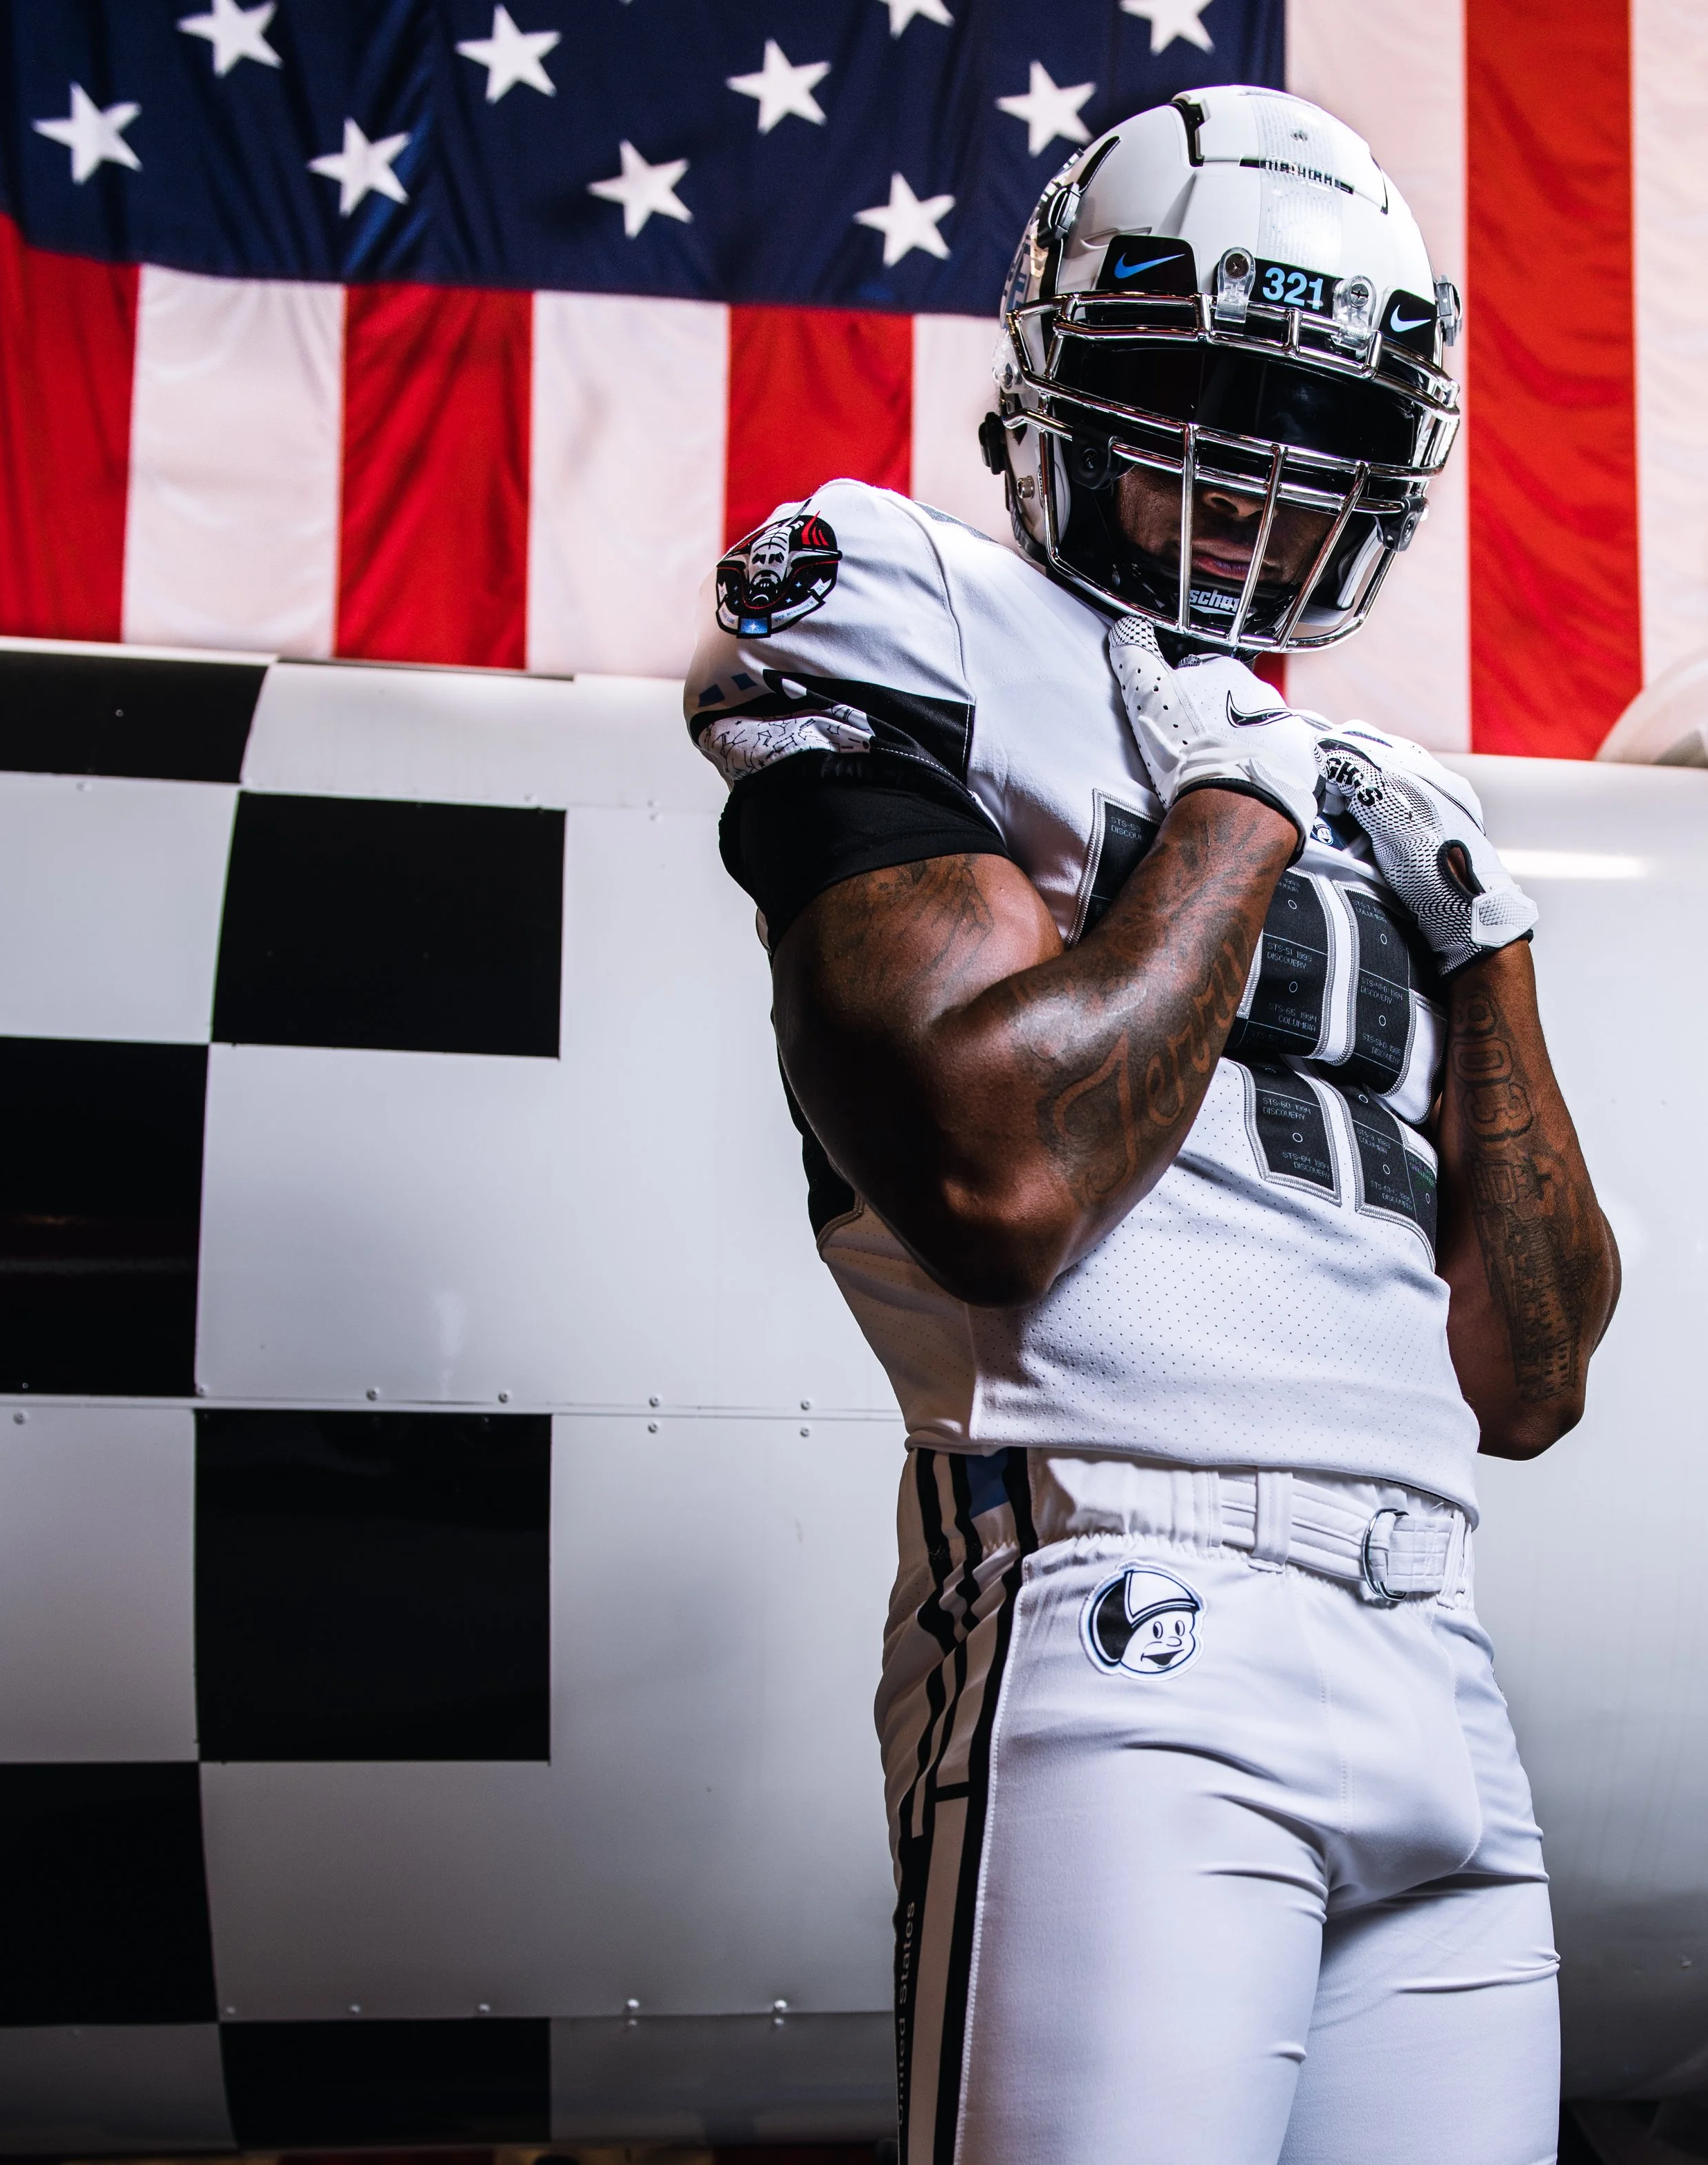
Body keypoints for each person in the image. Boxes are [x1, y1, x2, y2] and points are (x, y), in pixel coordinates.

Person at [684, 85, 1619, 2165]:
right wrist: (1232, 811)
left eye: (1320, 427)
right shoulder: (906, 602)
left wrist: (1487, 950)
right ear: (1059, 382)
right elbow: (996, 1180)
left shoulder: (1362, 780)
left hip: (1433, 1655)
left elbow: (1532, 1380)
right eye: (1193, 382)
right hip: (1126, 1602)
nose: (1252, 469)